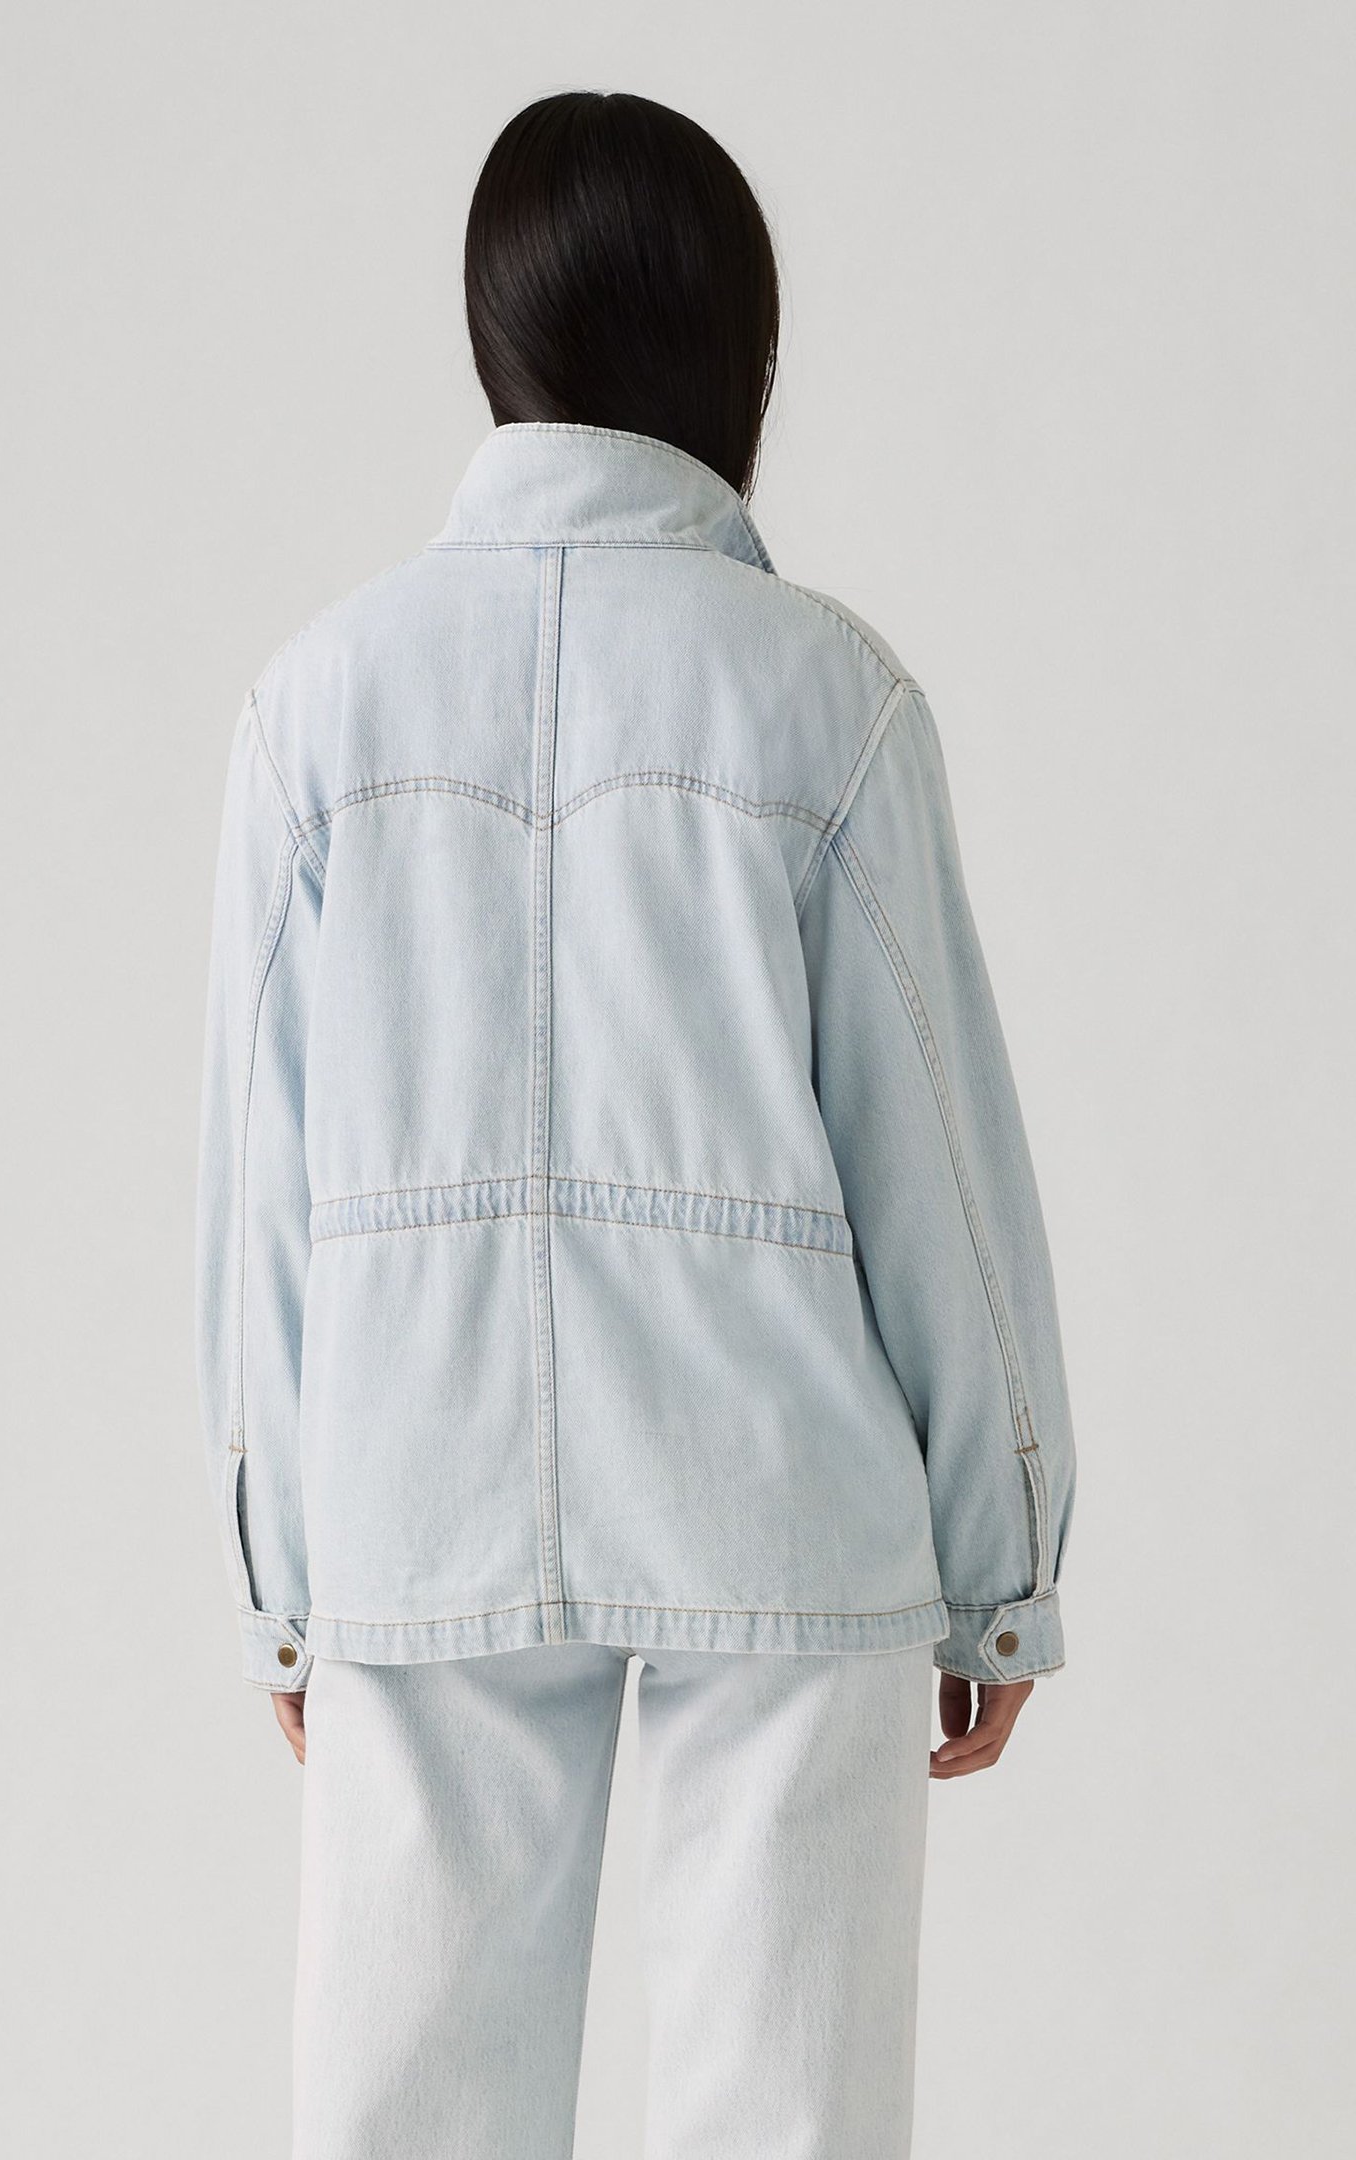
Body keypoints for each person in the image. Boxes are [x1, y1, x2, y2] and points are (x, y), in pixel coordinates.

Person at [195, 88, 1077, 2160]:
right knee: (787, 2124)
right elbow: (941, 1169)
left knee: (404, 2128)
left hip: (418, 1497)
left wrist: (281, 1570)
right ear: (739, 351)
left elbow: (256, 1195)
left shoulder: (315, 708)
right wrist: (1004, 1561)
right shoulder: (825, 697)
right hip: (786, 1506)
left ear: (492, 340)